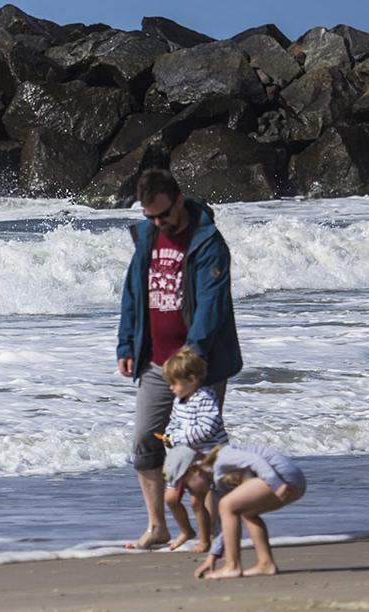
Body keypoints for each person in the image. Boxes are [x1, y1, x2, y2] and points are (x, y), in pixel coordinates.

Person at [116, 169, 242, 550]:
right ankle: (158, 526)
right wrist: (125, 343)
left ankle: (217, 532)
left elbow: (211, 307)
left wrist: (191, 357)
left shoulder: (208, 243)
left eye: (163, 215)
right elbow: (132, 294)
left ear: (180, 201)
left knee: (199, 448)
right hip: (154, 361)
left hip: (198, 365)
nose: (157, 222)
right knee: (144, 440)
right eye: (149, 216)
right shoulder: (147, 238)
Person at [177, 444, 306, 579]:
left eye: (186, 485)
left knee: (227, 505)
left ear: (194, 469)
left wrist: (276, 485)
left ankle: (232, 566)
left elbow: (256, 460)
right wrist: (212, 557)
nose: (190, 491)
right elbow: (226, 526)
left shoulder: (222, 458)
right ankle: (266, 564)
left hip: (283, 477)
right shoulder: (219, 481)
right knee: (245, 512)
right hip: (289, 481)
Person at [157, 347, 228, 552]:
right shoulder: (179, 399)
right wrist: (169, 437)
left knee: (197, 499)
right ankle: (187, 530)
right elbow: (174, 423)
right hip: (180, 455)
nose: (171, 388)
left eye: (174, 383)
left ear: (192, 379)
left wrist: (177, 437)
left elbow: (208, 428)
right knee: (170, 498)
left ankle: (205, 540)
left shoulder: (205, 398)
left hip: (204, 456)